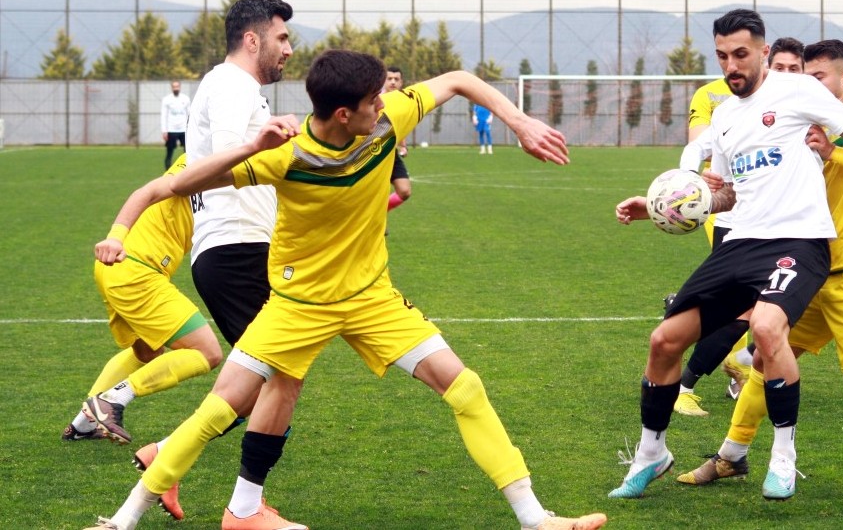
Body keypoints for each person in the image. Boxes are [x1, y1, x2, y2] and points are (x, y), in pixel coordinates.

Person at [84, 50, 607, 530]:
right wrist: (118, 233)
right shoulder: (283, 156)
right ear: (341, 114)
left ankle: (537, 520)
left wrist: (518, 120)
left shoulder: (384, 121)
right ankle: (122, 521)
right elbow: (163, 187)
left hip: (370, 299)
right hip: (297, 305)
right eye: (372, 99)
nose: (384, 105)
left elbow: (458, 80)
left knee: (464, 386)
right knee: (220, 408)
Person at [609, 9, 843, 502]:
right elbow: (730, 194)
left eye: (741, 54)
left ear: (763, 52)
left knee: (768, 329)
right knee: (664, 340)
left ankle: (782, 455)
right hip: (740, 243)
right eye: (723, 56)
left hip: (799, 241)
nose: (731, 65)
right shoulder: (726, 116)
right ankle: (652, 453)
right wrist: (659, 206)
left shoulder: (798, 91)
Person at [86, 0, 305, 528]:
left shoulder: (239, 90)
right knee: (278, 380)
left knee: (264, 381)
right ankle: (244, 508)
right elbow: (233, 156)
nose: (289, 50)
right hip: (236, 249)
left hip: (243, 249)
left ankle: (171, 456)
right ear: (252, 39)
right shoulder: (231, 86)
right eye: (282, 38)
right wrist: (281, 144)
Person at [64, 154, 222, 521]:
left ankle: (85, 422)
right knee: (207, 352)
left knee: (146, 349)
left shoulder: (213, 160)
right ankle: (113, 398)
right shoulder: (201, 158)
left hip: (120, 268)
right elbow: (147, 191)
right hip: (136, 269)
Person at [671, 36, 807, 417]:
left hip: (782, 227)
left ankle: (742, 361)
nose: (784, 75)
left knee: (764, 310)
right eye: (780, 67)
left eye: (793, 70)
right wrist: (689, 179)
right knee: (745, 311)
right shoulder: (718, 98)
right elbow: (698, 144)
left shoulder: (796, 100)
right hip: (733, 221)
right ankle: (689, 382)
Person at [384, 66, 411, 211]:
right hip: (373, 152)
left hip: (391, 153)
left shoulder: (403, 102)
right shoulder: (377, 100)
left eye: (396, 79)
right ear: (383, 81)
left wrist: (403, 146)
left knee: (404, 191)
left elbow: (400, 127)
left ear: (401, 83)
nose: (393, 82)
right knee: (376, 192)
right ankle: (376, 221)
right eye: (389, 79)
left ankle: (380, 213)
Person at [160, 81, 191, 169]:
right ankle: (167, 171)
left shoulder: (186, 99)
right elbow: (164, 115)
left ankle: (188, 170)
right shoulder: (167, 100)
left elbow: (190, 115)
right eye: (174, 87)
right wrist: (164, 131)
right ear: (171, 88)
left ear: (180, 87)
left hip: (183, 130)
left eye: (177, 86)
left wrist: (190, 129)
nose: (176, 88)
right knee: (169, 152)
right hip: (171, 130)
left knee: (188, 152)